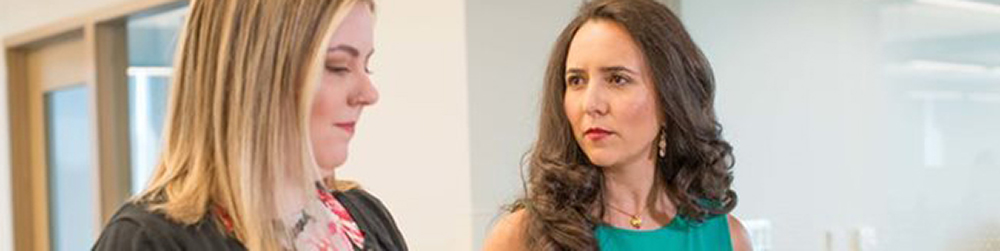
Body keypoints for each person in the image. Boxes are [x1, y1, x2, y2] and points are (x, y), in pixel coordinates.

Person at [92, 0, 407, 250]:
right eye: (337, 67)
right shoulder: (150, 242)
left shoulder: (364, 218)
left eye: (367, 66)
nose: (369, 94)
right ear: (258, 79)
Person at [484, 0, 751, 250]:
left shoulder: (729, 238)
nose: (591, 104)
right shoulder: (520, 236)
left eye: (617, 79)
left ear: (671, 95)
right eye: (577, 80)